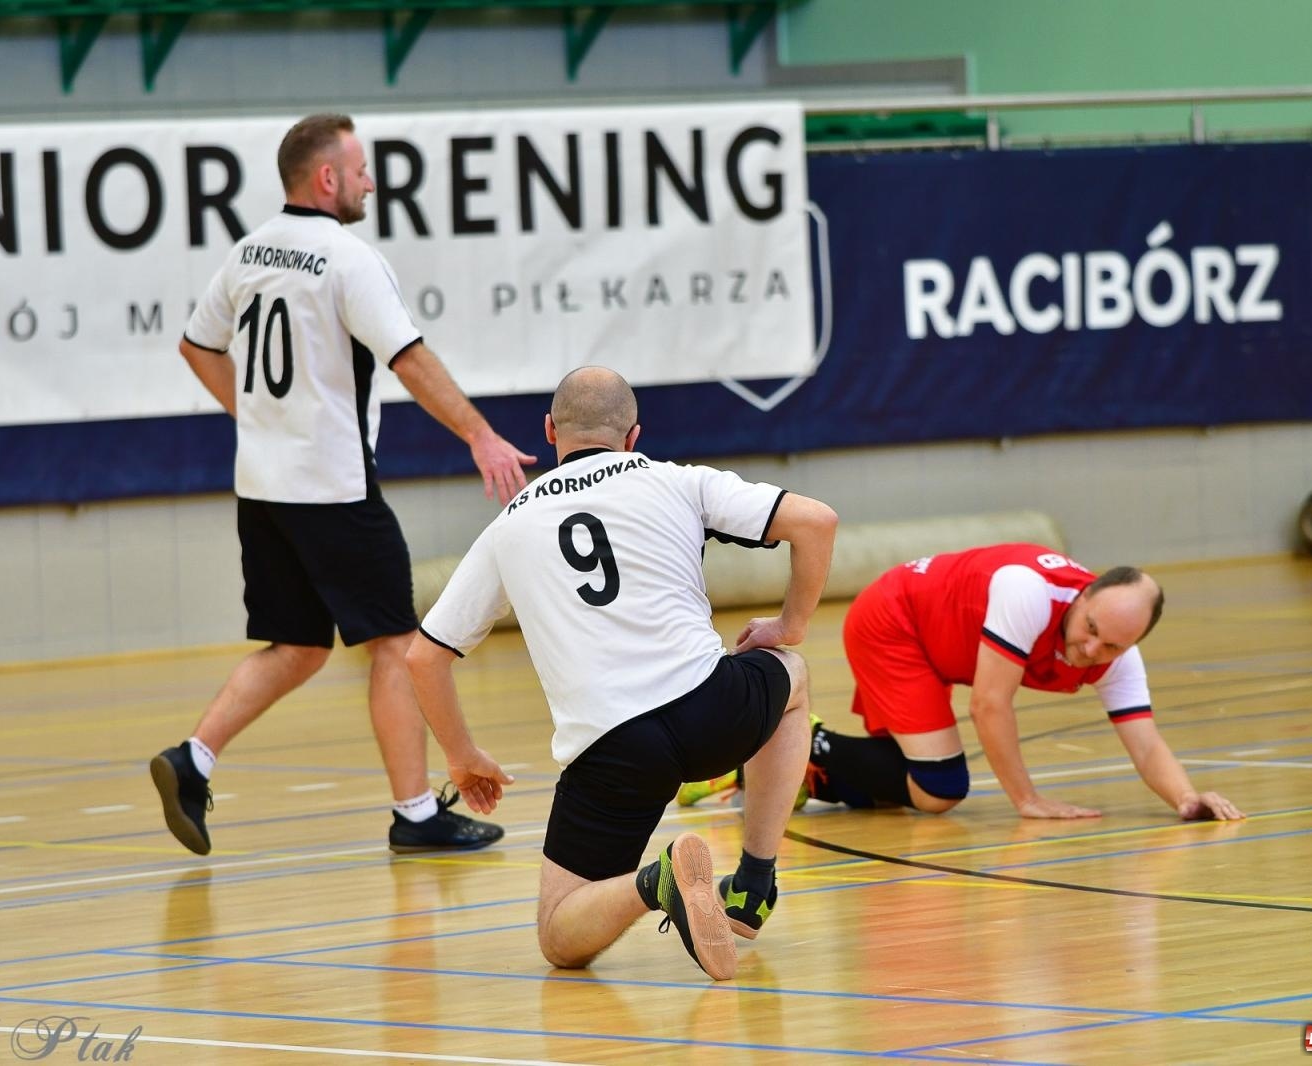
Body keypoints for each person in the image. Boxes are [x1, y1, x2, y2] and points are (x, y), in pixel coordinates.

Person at [149, 113, 537, 856]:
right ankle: (416, 814)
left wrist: (260, 418)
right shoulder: (347, 258)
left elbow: (198, 346)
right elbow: (411, 359)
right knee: (396, 645)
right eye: (359, 169)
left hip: (263, 487)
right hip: (332, 488)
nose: (368, 181)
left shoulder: (248, 251)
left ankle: (190, 761)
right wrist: (480, 435)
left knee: (297, 646)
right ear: (326, 178)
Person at [404, 366, 838, 981]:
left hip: (614, 747)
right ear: (633, 435)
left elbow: (424, 657)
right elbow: (816, 521)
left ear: (551, 431)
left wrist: (462, 754)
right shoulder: (678, 481)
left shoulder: (510, 526)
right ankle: (753, 883)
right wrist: (788, 627)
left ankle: (657, 883)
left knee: (559, 937)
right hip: (712, 706)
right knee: (790, 675)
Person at [683, 543, 1245, 822]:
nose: (1091, 651)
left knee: (915, 772)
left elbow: (1144, 740)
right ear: (1083, 593)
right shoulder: (1029, 593)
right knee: (940, 789)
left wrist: (1187, 798)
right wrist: (1027, 799)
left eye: (1112, 647)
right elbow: (989, 705)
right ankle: (784, 746)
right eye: (1090, 629)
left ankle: (810, 769)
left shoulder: (1118, 650)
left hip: (942, 649)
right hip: (895, 624)